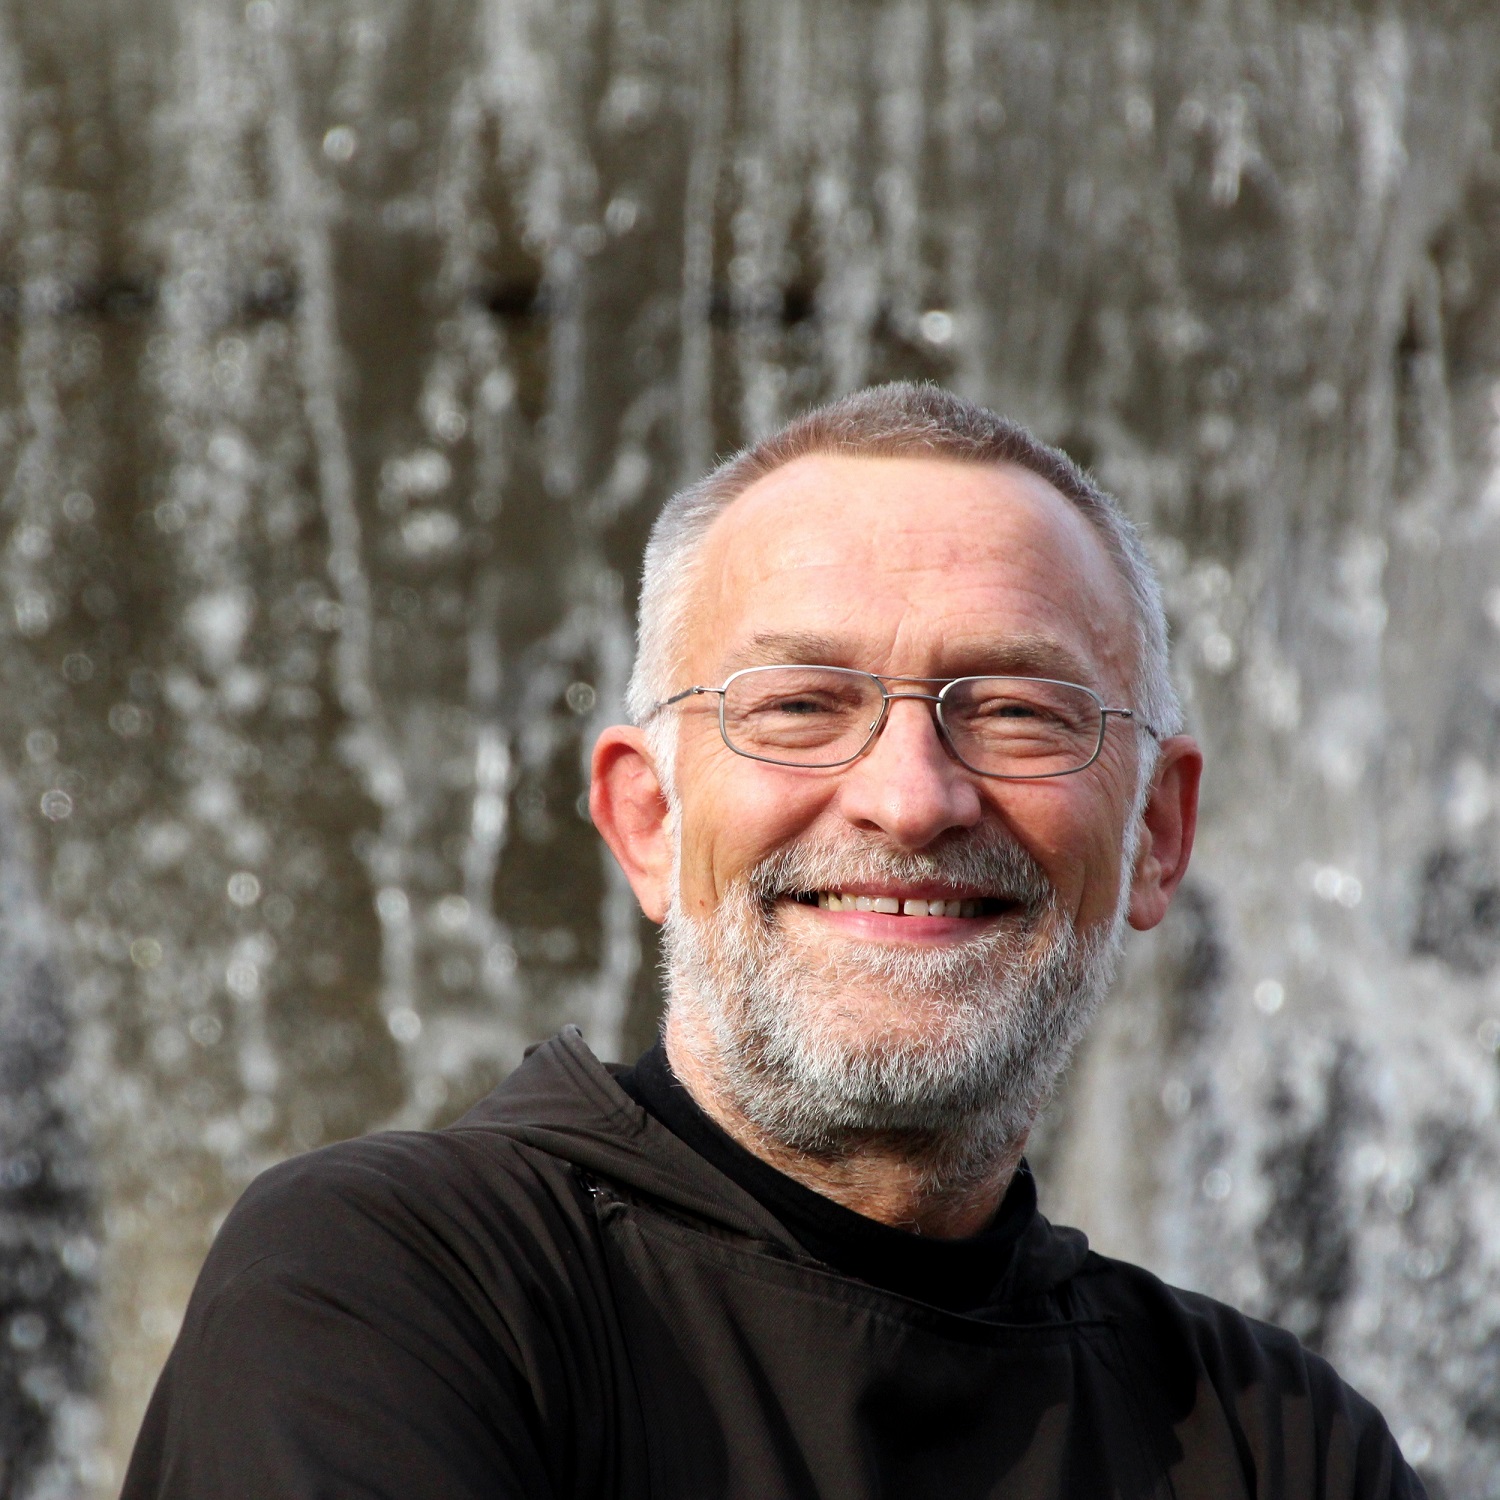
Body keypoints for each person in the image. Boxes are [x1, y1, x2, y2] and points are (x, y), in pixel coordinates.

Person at [123, 383, 1424, 1498]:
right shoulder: (397, 1288)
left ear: (1156, 833)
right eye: (800, 705)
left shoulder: (1276, 1444)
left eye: (1018, 712)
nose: (912, 798)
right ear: (646, 820)